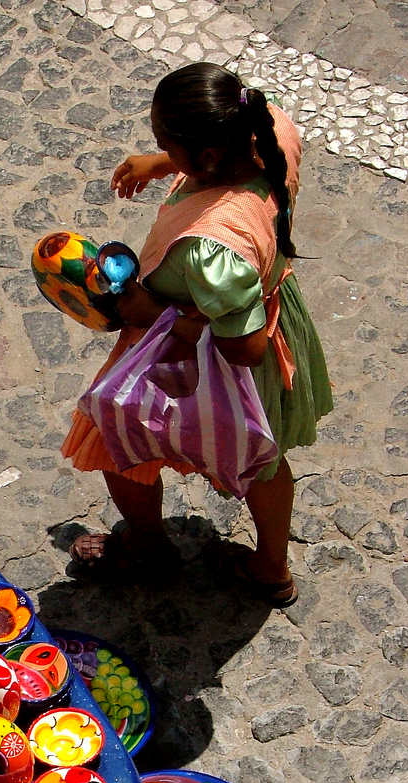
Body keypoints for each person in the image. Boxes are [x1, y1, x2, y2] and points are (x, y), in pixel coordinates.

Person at [61, 62, 333, 606]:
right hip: (274, 315)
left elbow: (244, 344)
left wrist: (150, 307)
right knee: (265, 460)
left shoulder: (210, 246)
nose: (159, 148)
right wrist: (163, 163)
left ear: (208, 156)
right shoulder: (266, 126)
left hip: (213, 358)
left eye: (166, 142)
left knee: (117, 446)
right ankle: (271, 569)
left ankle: (148, 548)